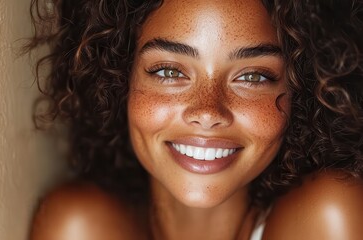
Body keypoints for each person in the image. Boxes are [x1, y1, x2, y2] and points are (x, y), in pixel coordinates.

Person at [26, 0, 363, 239]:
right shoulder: (80, 227)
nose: (207, 112)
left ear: (300, 95)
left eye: (253, 77)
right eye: (169, 71)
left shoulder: (327, 217)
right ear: (118, 80)